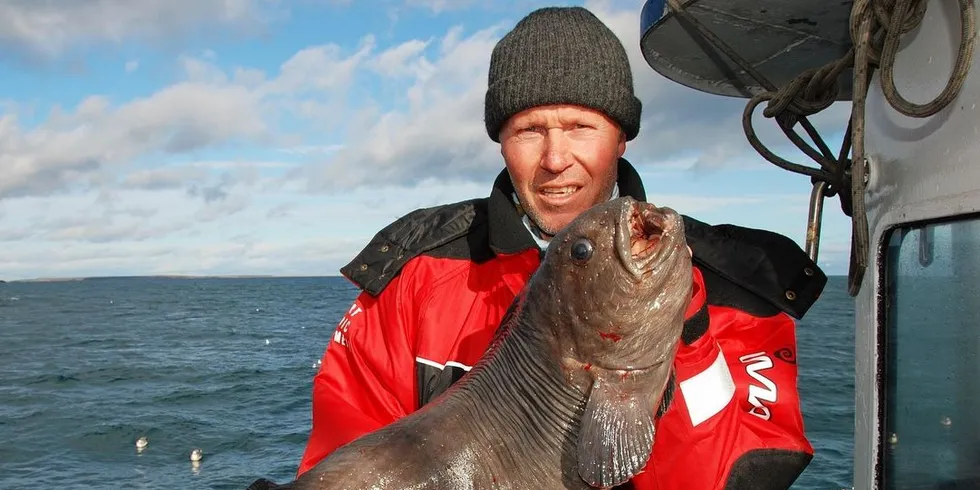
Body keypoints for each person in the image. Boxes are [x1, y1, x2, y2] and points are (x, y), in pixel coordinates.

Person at [297, 6, 827, 490]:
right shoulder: (413, 275)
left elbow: (732, 477)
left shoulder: (740, 286)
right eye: (529, 130)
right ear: (501, 141)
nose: (555, 158)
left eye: (580, 126)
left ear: (621, 136)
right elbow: (346, 455)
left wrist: (684, 330)